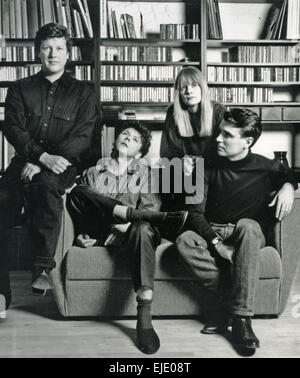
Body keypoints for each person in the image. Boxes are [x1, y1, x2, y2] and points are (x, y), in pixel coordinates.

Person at [176, 108, 297, 353]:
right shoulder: (205, 167)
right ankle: (229, 299)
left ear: (247, 142)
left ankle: (241, 319)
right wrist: (216, 244)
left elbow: (293, 173)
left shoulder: (267, 167)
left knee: (249, 225)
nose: (219, 139)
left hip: (246, 236)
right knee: (184, 239)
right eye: (221, 132)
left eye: (228, 135)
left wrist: (288, 186)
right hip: (213, 232)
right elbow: (194, 212)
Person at [67, 123, 188, 355]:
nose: (127, 138)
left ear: (140, 154)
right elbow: (82, 210)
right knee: (77, 191)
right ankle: (130, 213)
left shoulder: (146, 175)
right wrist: (83, 234)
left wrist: (121, 225)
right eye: (124, 134)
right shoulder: (94, 172)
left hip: (135, 235)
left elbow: (151, 217)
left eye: (134, 139)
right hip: (106, 235)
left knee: (143, 227)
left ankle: (144, 319)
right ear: (114, 141)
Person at [0, 23, 98, 303]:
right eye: (46, 48)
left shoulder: (84, 93)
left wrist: (44, 164)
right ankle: (1, 293)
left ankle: (42, 267)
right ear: (38, 53)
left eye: (58, 48)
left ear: (68, 54)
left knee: (45, 186)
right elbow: (14, 129)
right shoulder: (19, 88)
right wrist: (39, 157)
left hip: (63, 166)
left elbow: (84, 136)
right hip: (24, 162)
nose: (53, 54)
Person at [160, 66, 225, 174]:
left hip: (212, 169)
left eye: (194, 85)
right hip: (183, 170)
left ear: (202, 88)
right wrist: (181, 162)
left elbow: (224, 148)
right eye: (183, 87)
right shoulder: (173, 112)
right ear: (178, 92)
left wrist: (201, 163)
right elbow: (167, 151)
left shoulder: (218, 111)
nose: (189, 91)